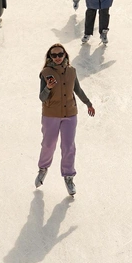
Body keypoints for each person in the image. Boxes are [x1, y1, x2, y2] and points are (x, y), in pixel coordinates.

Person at [35, 43, 95, 197]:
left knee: (68, 147)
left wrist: (88, 103)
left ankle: (69, 177)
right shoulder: (45, 72)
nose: (57, 58)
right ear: (49, 57)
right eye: (54, 55)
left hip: (70, 114)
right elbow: (42, 98)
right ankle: (43, 169)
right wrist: (48, 87)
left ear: (65, 55)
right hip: (51, 114)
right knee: (48, 144)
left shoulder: (72, 71)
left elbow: (78, 90)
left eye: (60, 54)